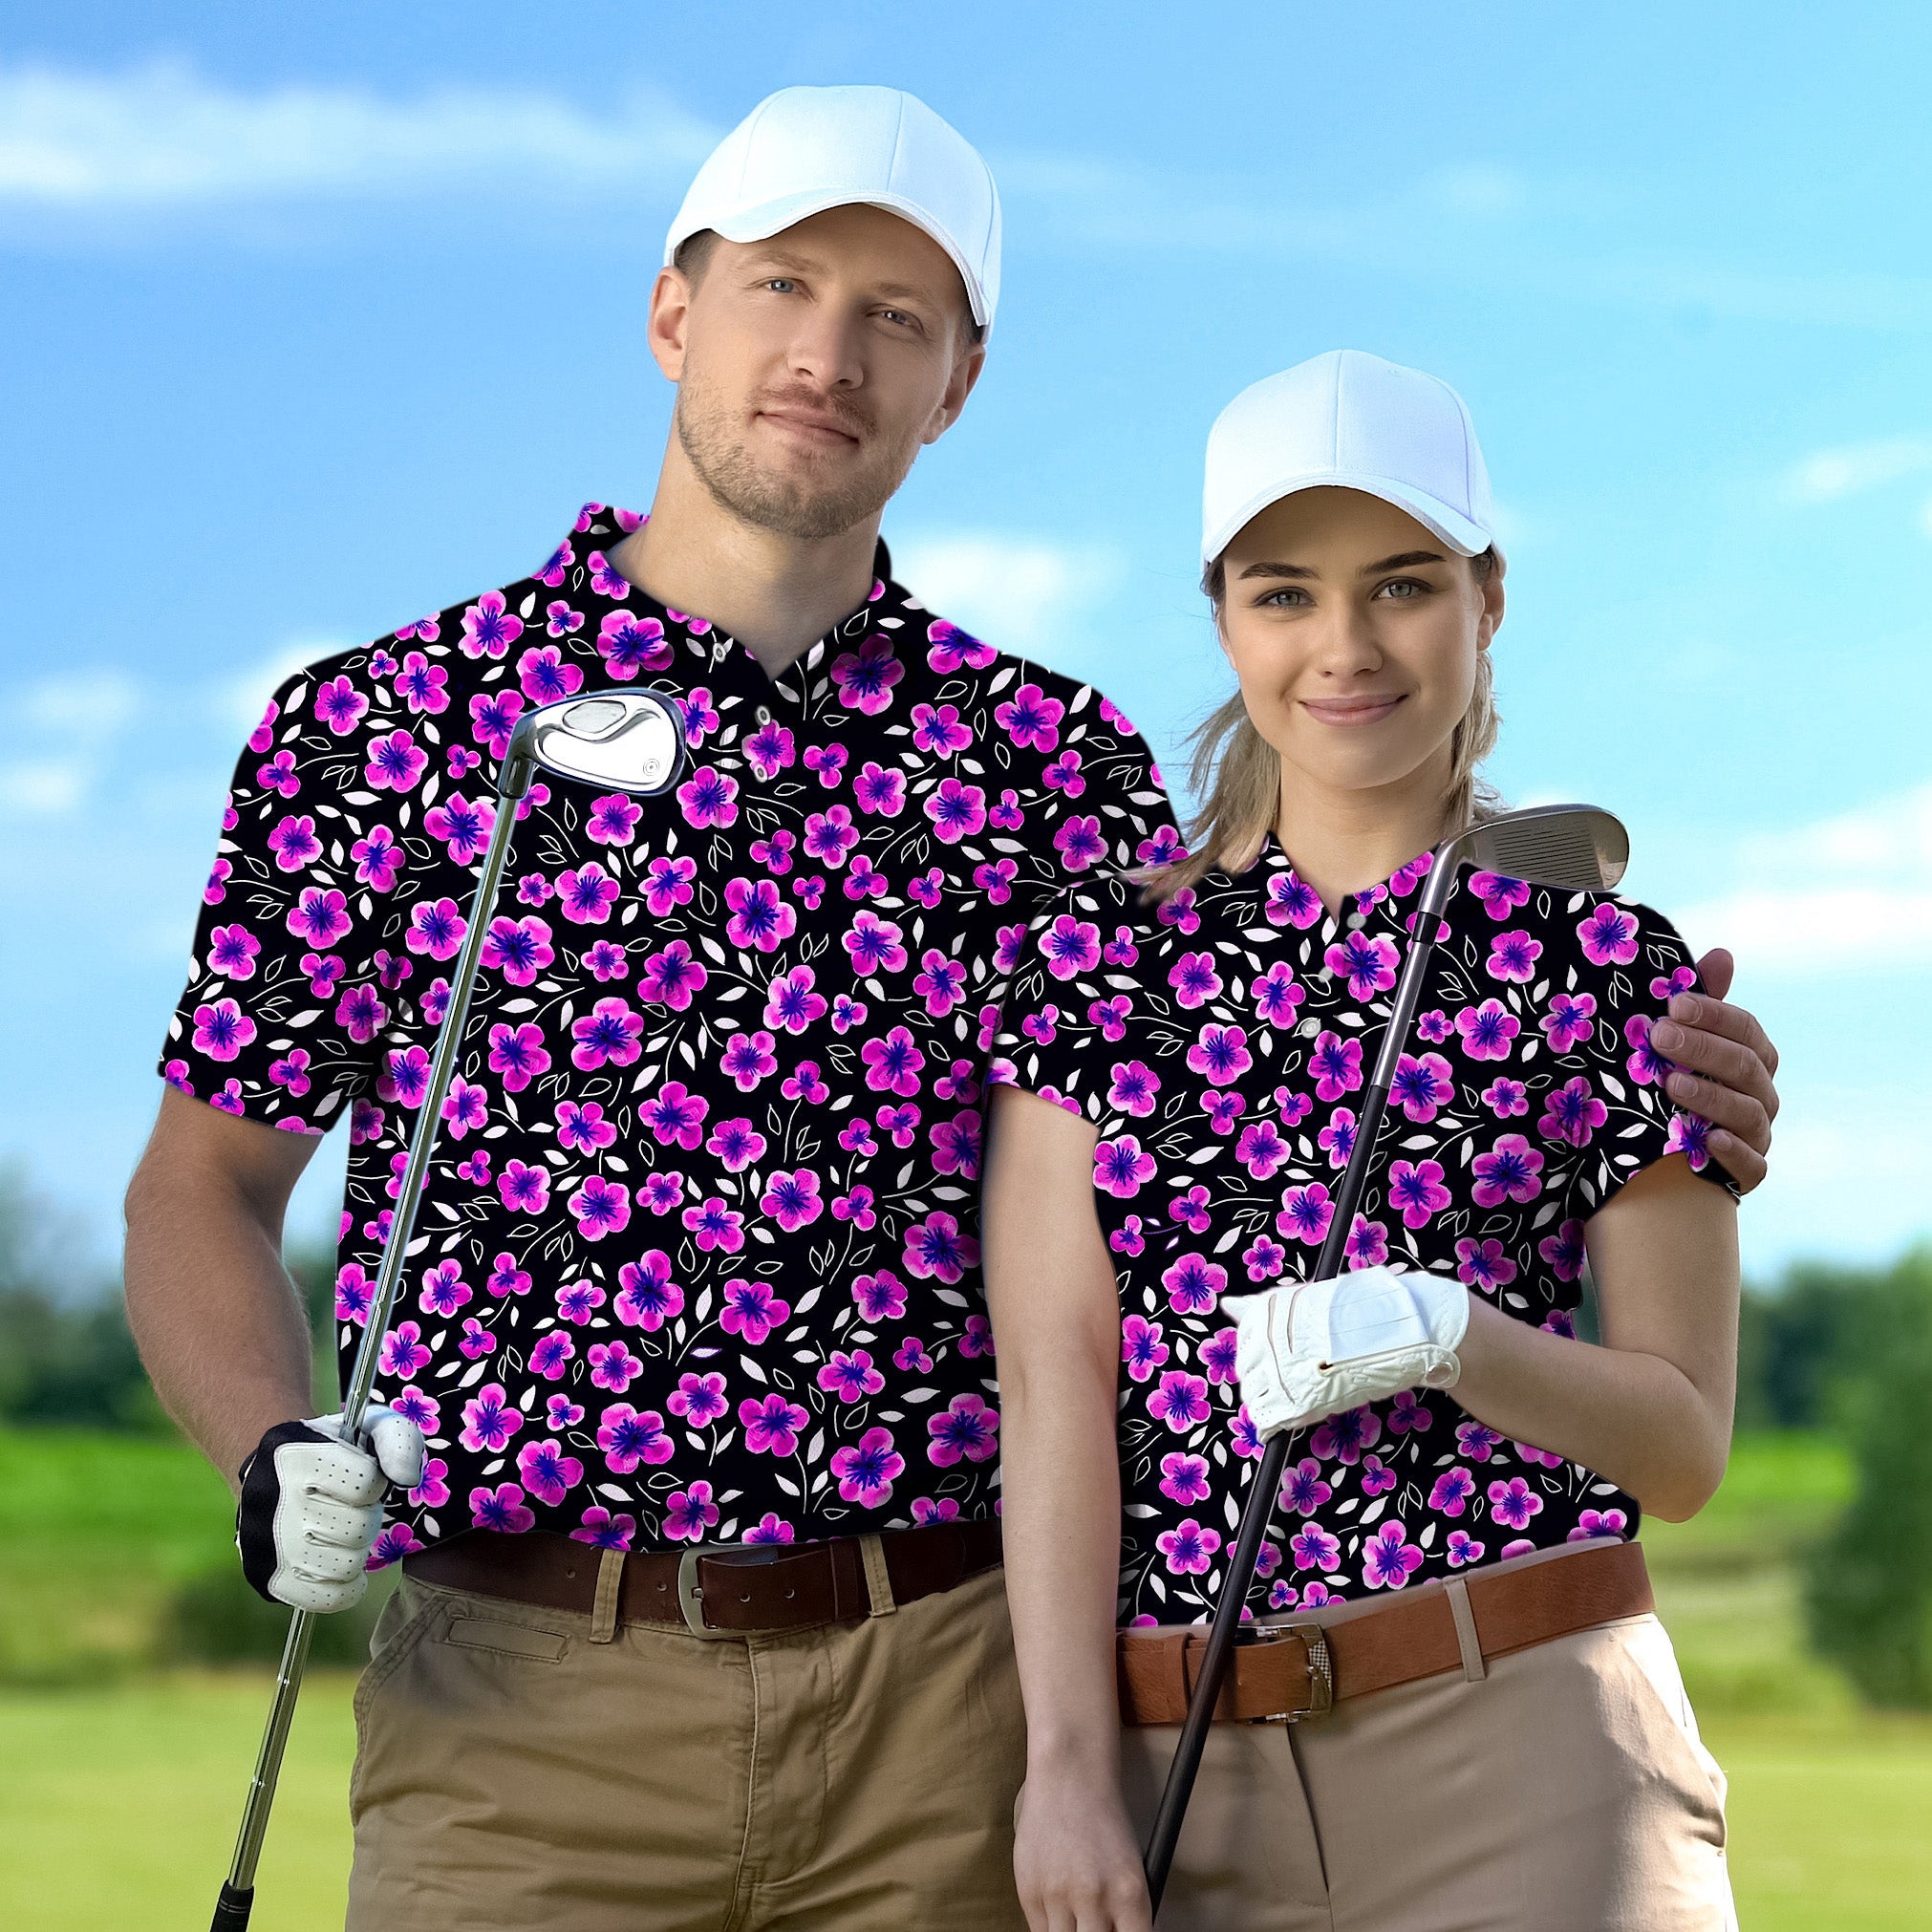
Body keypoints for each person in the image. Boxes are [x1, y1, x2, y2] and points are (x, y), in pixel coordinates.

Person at [118, 83, 1779, 1926]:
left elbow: (1277, 1072)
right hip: (518, 1709)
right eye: (780, 285)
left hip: (948, 1706)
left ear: (959, 381)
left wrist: (1644, 1049)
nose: (827, 356)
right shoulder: (388, 728)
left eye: (894, 316)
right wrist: (269, 1446)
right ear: (672, 309)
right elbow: (201, 1186)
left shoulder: (1051, 764)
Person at [984, 351, 1747, 1930]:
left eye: (1401, 584)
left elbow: (1679, 1450)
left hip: (1530, 1738)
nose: (1343, 646)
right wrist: (1061, 1767)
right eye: (1284, 594)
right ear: (1222, 619)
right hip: (1184, 1773)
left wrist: (1448, 1334)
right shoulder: (1092, 971)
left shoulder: (1606, 964)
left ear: (1486, 600)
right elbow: (1054, 1392)